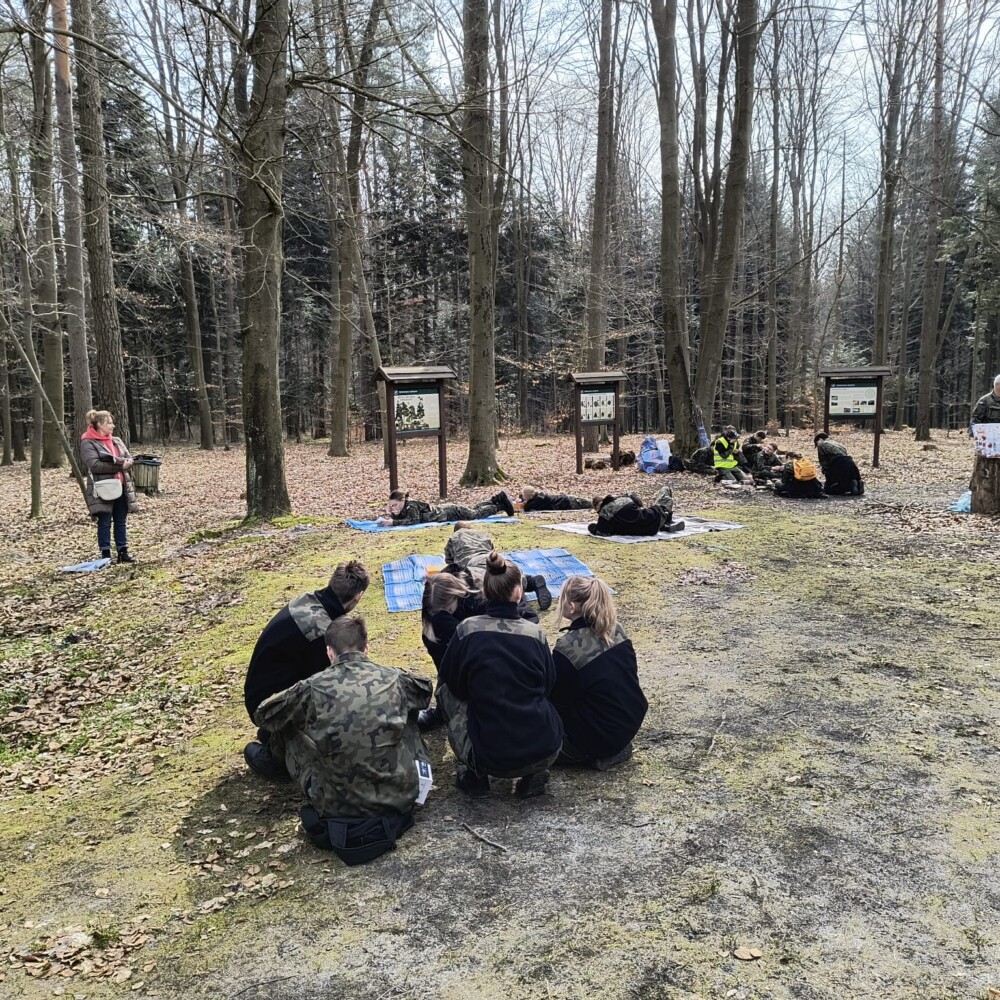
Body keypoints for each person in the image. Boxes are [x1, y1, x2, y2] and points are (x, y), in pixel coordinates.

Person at [254, 615, 432, 864]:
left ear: (329, 652)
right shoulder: (394, 678)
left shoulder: (311, 688)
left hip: (337, 805)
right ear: (366, 648)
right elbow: (425, 691)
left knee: (288, 729)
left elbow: (264, 714)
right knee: (408, 715)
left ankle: (272, 763)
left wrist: (305, 715)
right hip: (401, 795)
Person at [437, 551, 564, 799]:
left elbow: (452, 682)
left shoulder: (467, 630)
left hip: (488, 755)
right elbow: (549, 684)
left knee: (444, 690)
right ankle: (534, 771)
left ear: (484, 590)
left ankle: (475, 773)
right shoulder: (535, 634)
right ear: (519, 593)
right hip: (544, 748)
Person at [243, 560, 370, 779]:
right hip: (266, 704)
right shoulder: (320, 633)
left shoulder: (308, 600)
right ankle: (276, 756)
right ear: (357, 597)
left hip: (262, 688)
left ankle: (277, 732)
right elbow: (332, 683)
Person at [550, 576, 647, 770]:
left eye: (561, 598)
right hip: (628, 723)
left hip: (596, 735)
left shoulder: (568, 648)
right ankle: (613, 749)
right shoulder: (616, 630)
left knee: (535, 735)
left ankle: (590, 754)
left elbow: (556, 701)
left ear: (571, 606)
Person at [443, 524, 552, 612]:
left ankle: (517, 607)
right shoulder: (482, 534)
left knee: (484, 589)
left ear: (455, 530)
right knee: (507, 576)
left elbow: (450, 562)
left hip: (473, 563)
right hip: (492, 559)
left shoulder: (455, 536)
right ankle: (531, 581)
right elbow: (492, 551)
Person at [80, 409, 138, 564]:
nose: (113, 426)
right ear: (100, 424)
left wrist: (128, 462)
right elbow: (94, 465)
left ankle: (123, 552)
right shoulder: (88, 442)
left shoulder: (116, 440)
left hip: (121, 485)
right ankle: (105, 555)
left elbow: (128, 457)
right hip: (103, 488)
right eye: (109, 423)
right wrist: (120, 466)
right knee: (105, 521)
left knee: (121, 520)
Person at [377, 488, 514, 526]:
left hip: (448, 512)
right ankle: (495, 499)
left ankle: (500, 505)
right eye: (391, 505)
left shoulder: (410, 506)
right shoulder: (405, 506)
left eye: (395, 505)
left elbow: (413, 520)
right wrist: (392, 515)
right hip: (446, 511)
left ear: (402, 501)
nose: (394, 507)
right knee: (473, 509)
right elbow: (404, 517)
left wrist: (393, 522)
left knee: (474, 515)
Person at [588, 487, 684, 537]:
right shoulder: (623, 499)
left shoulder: (604, 517)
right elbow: (639, 503)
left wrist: (591, 526)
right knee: (665, 490)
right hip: (654, 517)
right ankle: (667, 520)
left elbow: (600, 532)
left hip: (646, 531)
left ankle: (665, 522)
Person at [519, 486, 592, 512]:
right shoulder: (539, 496)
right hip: (568, 499)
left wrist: (525, 502)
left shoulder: (538, 500)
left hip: (571, 503)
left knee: (593, 504)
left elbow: (526, 508)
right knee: (591, 503)